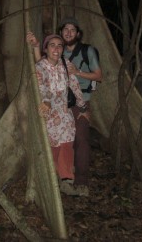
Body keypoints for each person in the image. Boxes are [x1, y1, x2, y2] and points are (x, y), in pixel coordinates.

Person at [28, 17, 102, 196]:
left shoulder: (66, 63)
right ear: (46, 49)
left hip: (66, 112)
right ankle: (51, 179)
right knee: (52, 145)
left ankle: (67, 179)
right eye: (52, 45)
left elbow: (75, 86)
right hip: (50, 113)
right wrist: (45, 101)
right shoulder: (40, 67)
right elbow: (42, 84)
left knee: (68, 145)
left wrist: (83, 108)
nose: (56, 48)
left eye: (59, 46)